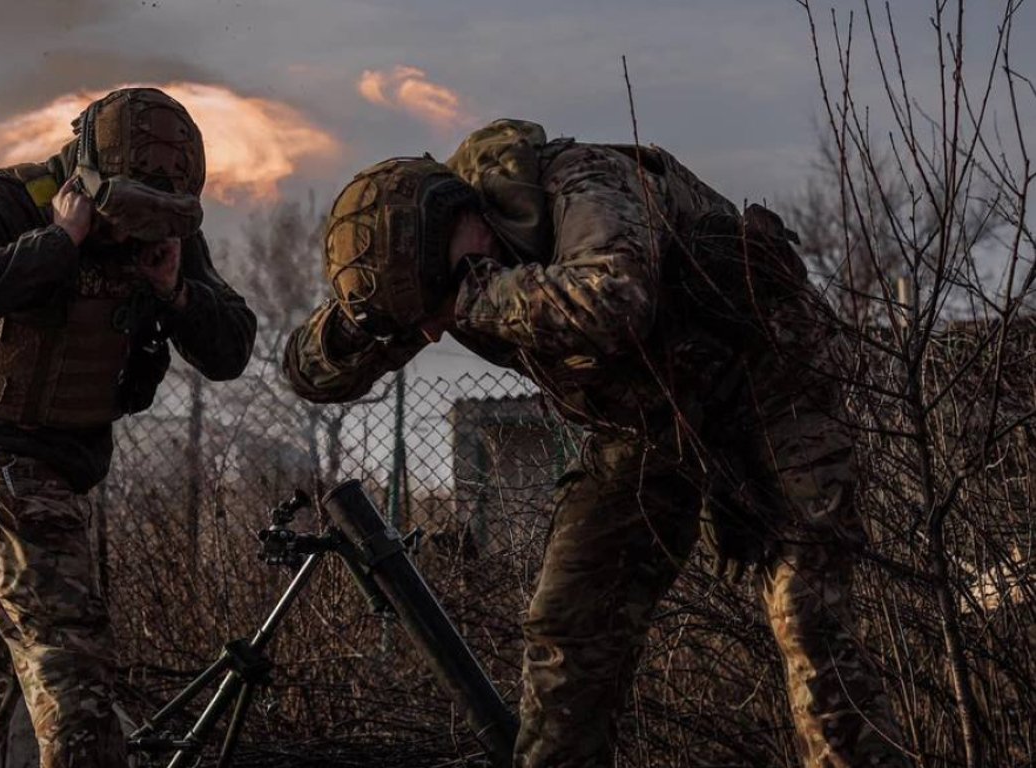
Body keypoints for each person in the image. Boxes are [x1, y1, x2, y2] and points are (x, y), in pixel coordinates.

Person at [284, 120, 907, 768]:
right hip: (646, 429)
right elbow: (305, 372)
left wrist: (472, 292)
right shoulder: (425, 271)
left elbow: (613, 300)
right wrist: (362, 328)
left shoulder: (580, 183)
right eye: (429, 318)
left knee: (808, 616)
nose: (442, 330)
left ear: (460, 220)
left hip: (774, 392)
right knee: (568, 626)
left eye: (442, 302)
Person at [0, 87, 256, 768]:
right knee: (71, 665)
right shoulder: (11, 199)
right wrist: (60, 242)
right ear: (87, 182)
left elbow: (231, 349)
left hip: (58, 464)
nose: (140, 232)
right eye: (128, 215)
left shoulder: (168, 234)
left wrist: (175, 291)